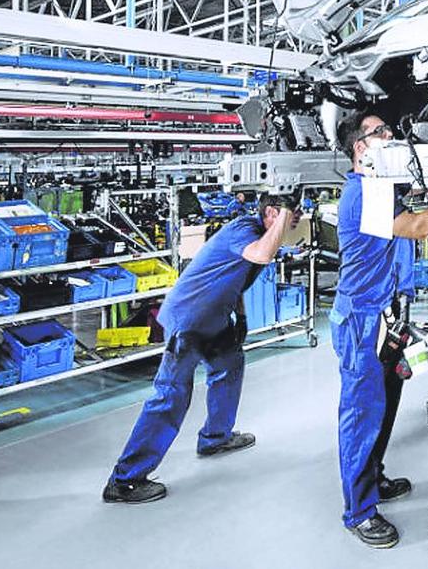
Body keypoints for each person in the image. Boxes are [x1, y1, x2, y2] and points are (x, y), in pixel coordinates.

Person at [332, 112, 428, 548]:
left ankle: (373, 479)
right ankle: (358, 511)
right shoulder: (363, 193)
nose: (391, 136)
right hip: (361, 321)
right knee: (362, 415)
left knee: (385, 407)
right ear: (361, 147)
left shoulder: (380, 188)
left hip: (384, 315)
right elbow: (421, 226)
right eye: (381, 132)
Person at [103, 193, 298, 503]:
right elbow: (260, 255)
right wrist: (284, 216)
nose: (296, 219)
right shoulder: (244, 230)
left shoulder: (261, 235)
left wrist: (241, 318)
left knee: (230, 366)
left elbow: (233, 278)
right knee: (171, 395)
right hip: (189, 319)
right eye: (291, 213)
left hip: (214, 318)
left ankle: (215, 437)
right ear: (271, 213)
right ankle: (125, 479)